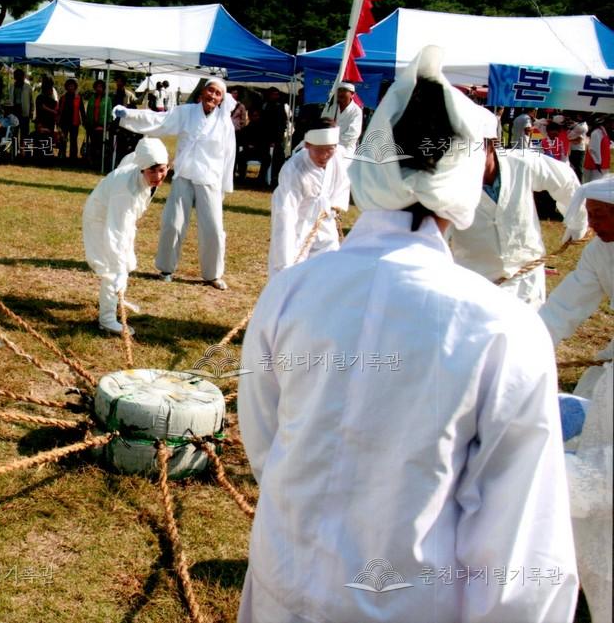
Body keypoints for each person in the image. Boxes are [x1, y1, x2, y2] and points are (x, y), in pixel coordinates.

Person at [236, 46, 578, 623]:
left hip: (285, 583)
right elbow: (520, 540)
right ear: (465, 178)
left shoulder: (291, 292)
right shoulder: (505, 330)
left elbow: (268, 445)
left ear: (369, 163)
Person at [539, 178, 613, 623]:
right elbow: (565, 306)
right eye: (593, 215)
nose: (596, 224)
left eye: (603, 216)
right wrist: (527, 347)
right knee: (587, 415)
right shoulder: (600, 252)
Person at [115, 78, 236, 289]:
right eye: (210, 90)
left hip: (210, 179)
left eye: (218, 93)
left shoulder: (225, 122)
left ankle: (212, 274)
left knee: (214, 228)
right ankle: (166, 268)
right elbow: (160, 120)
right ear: (203, 92)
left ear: (221, 99)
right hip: (184, 175)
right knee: (173, 222)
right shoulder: (187, 112)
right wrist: (129, 114)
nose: (212, 96)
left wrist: (225, 185)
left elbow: (229, 156)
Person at [450, 123, 584, 309]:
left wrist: (577, 222)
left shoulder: (522, 163)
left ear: (491, 146)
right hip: (475, 277)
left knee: (528, 324)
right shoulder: (448, 177)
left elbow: (565, 181)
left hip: (525, 275)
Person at [82, 137, 169, 334]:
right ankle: (107, 319)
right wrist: (119, 271)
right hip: (101, 218)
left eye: (162, 170)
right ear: (142, 169)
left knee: (126, 261)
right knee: (113, 266)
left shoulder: (140, 165)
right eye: (152, 171)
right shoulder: (126, 191)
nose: (158, 176)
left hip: (121, 216)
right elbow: (116, 233)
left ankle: (114, 298)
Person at [268, 125, 350, 275]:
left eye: (329, 149)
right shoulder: (294, 169)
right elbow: (285, 213)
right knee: (292, 269)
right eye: (319, 150)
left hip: (324, 221)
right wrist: (285, 259)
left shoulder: (338, 156)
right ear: (307, 145)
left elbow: (342, 183)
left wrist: (334, 206)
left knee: (328, 269)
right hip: (299, 224)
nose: (324, 155)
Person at [85, 79, 111, 168]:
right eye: (97, 87)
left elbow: (109, 112)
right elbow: (88, 110)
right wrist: (87, 122)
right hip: (92, 124)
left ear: (103, 88)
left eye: (100, 87)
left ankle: (100, 162)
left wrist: (108, 124)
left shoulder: (108, 99)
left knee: (100, 145)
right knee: (93, 144)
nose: (99, 88)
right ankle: (92, 162)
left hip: (102, 125)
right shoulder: (92, 98)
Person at [57, 77, 85, 162]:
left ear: (75, 87)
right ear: (66, 87)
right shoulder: (63, 98)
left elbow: (82, 111)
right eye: (69, 86)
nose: (71, 87)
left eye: (72, 86)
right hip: (64, 122)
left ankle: (73, 158)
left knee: (73, 140)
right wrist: (58, 122)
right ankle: (62, 156)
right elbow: (59, 110)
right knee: (63, 140)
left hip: (74, 123)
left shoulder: (78, 98)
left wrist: (84, 121)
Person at [331, 81, 362, 156]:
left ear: (352, 94)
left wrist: (334, 142)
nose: (340, 93)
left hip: (346, 150)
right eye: (339, 90)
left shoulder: (356, 111)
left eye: (344, 90)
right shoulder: (331, 107)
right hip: (329, 147)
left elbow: (353, 134)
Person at [7, 68, 33, 145]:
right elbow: (9, 99)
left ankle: (23, 149)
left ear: (23, 77)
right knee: (14, 132)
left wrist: (31, 112)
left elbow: (31, 101)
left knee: (24, 133)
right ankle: (14, 148)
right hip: (14, 111)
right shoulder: (12, 86)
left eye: (20, 76)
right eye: (17, 76)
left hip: (24, 112)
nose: (18, 78)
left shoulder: (28, 87)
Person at [567, 114, 588, 181]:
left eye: (579, 115)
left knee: (578, 169)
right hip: (573, 149)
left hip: (579, 150)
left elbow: (579, 140)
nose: (577, 116)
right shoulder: (578, 124)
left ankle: (579, 183)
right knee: (572, 167)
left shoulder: (583, 127)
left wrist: (567, 140)